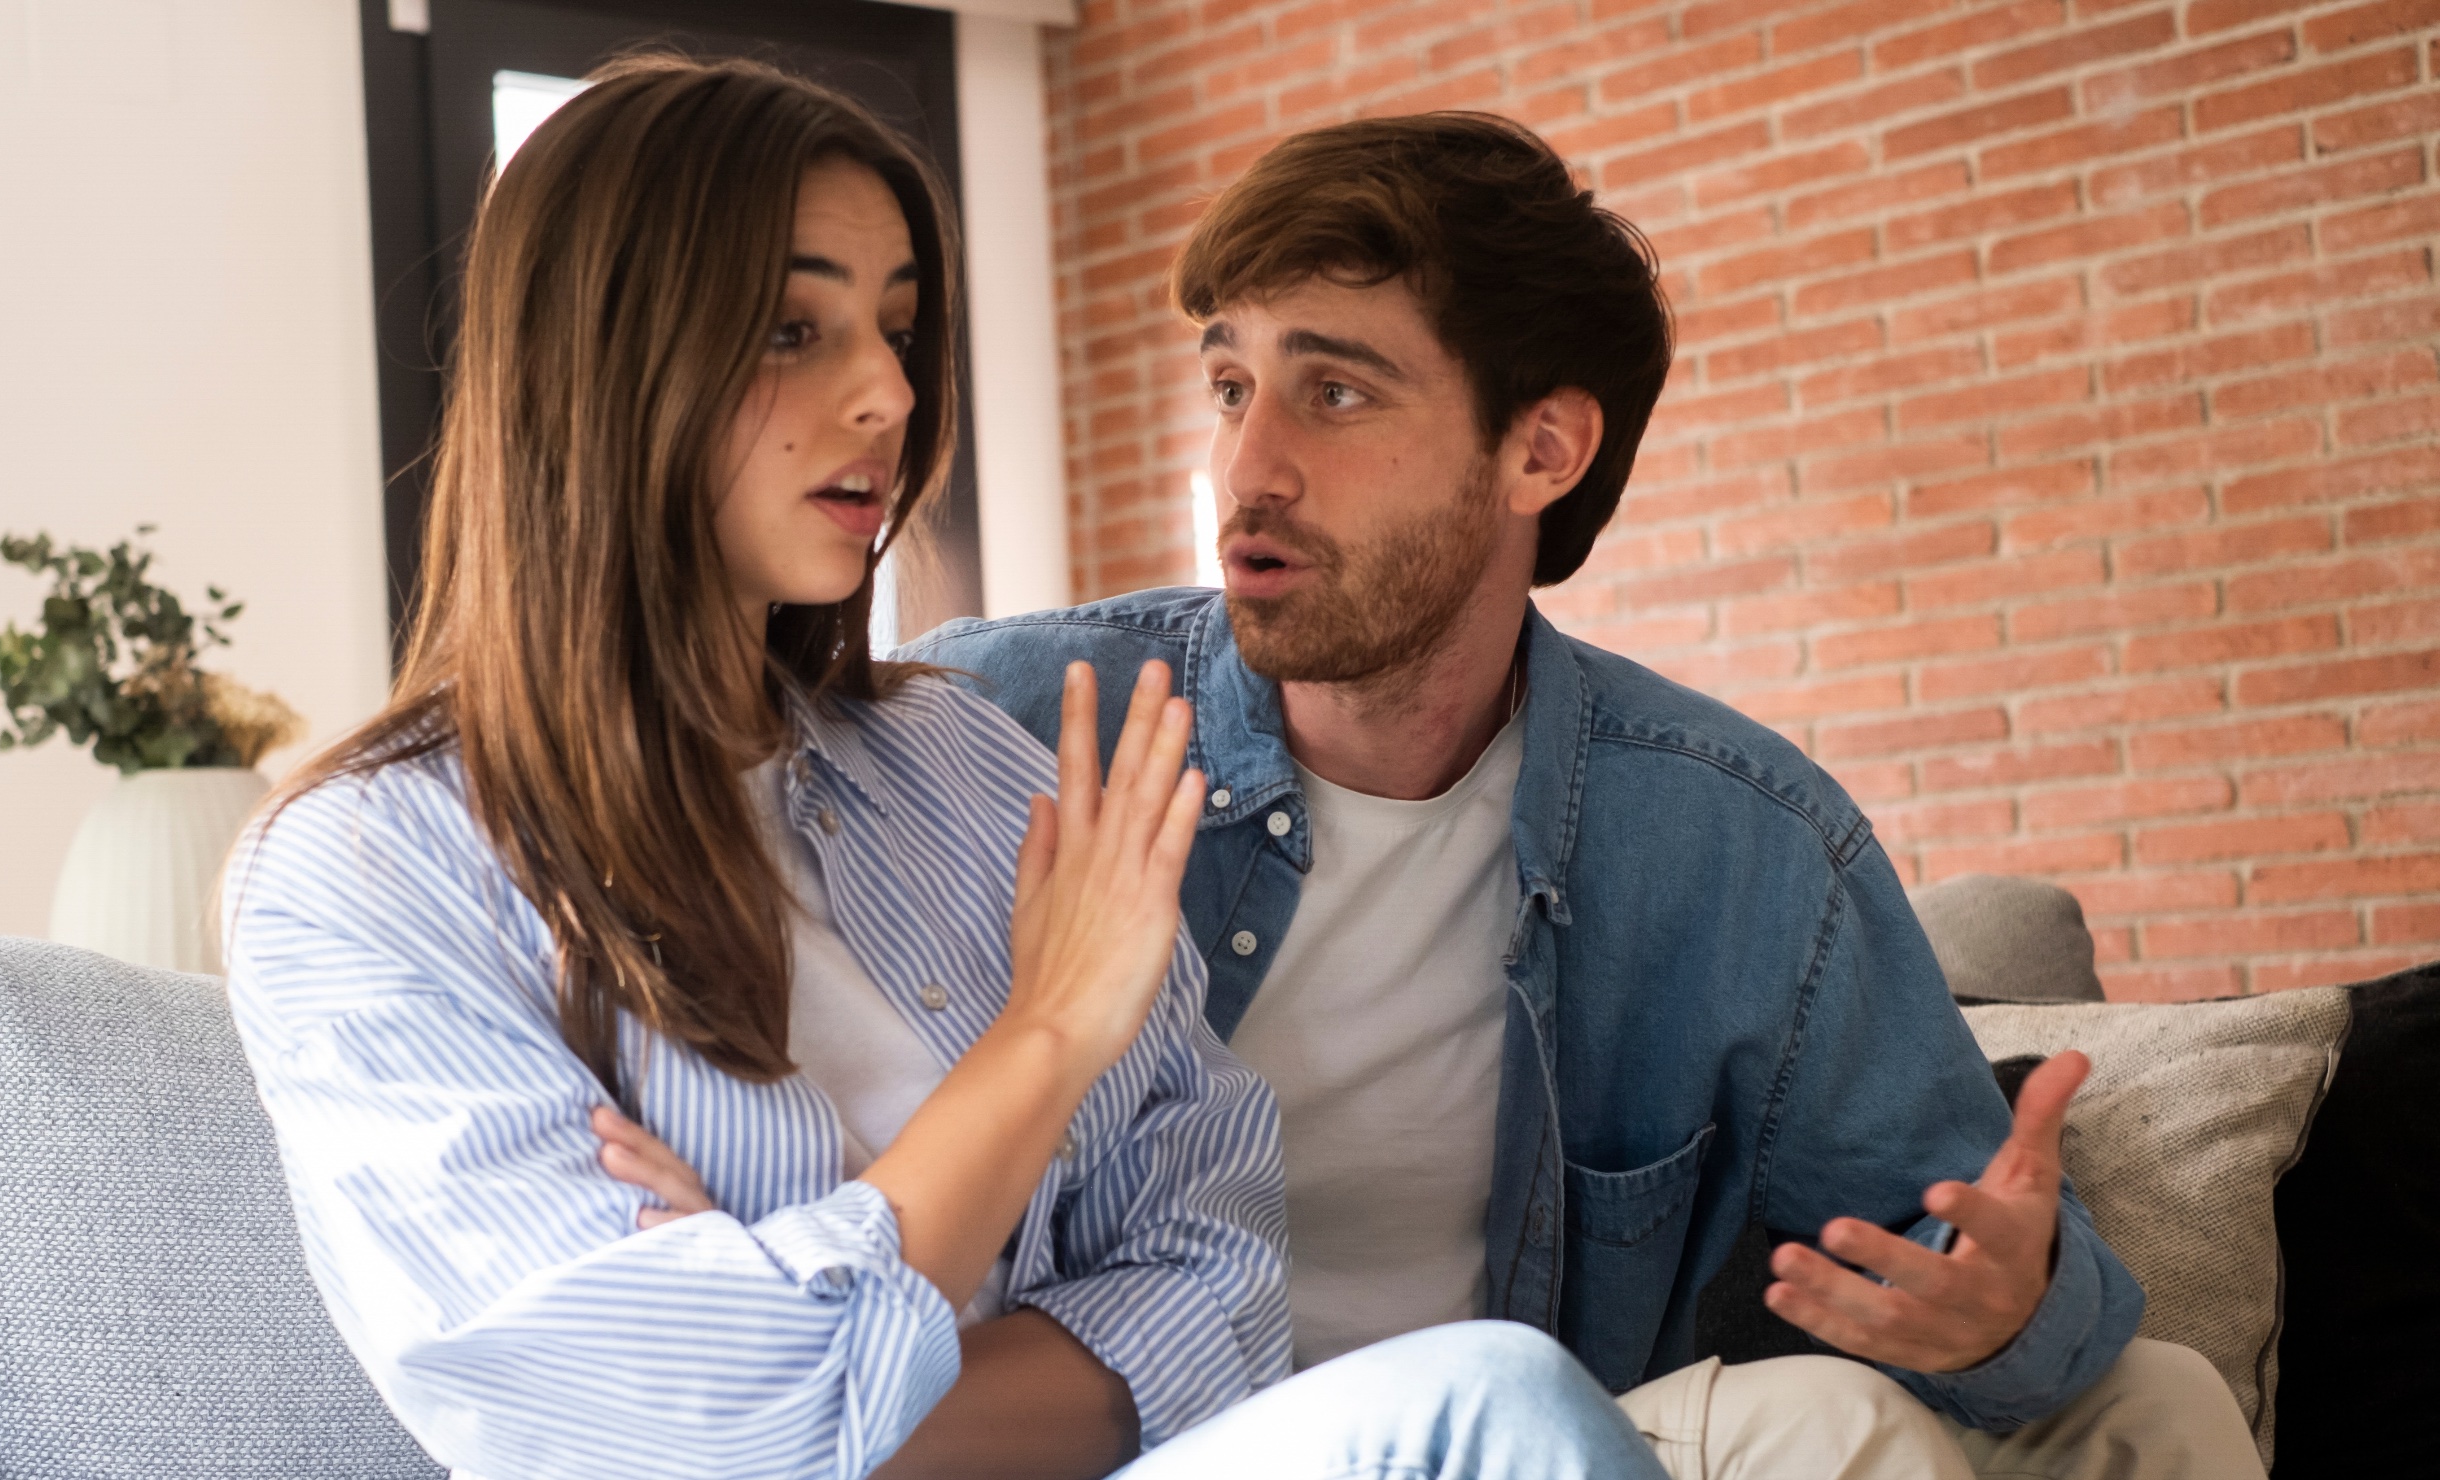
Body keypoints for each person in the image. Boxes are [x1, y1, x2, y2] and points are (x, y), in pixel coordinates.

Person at [226, 60, 1669, 1480]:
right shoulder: (366, 870)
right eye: (793, 329)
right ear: (599, 363)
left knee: (1534, 1407)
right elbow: (658, 1435)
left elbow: (1215, 1286)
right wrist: (1045, 1036)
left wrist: (804, 1350)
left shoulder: (963, 760)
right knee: (1503, 1415)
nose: (884, 395)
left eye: (899, 330)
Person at [899, 114, 2264, 1480]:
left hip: (1525, 1446)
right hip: (1140, 1450)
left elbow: (1947, 1235)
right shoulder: (1004, 721)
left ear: (1541, 451)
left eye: (1336, 394)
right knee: (1827, 1428)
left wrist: (2000, 1310)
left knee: (2161, 1403)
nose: (1246, 470)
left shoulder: (1729, 842)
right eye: (1230, 387)